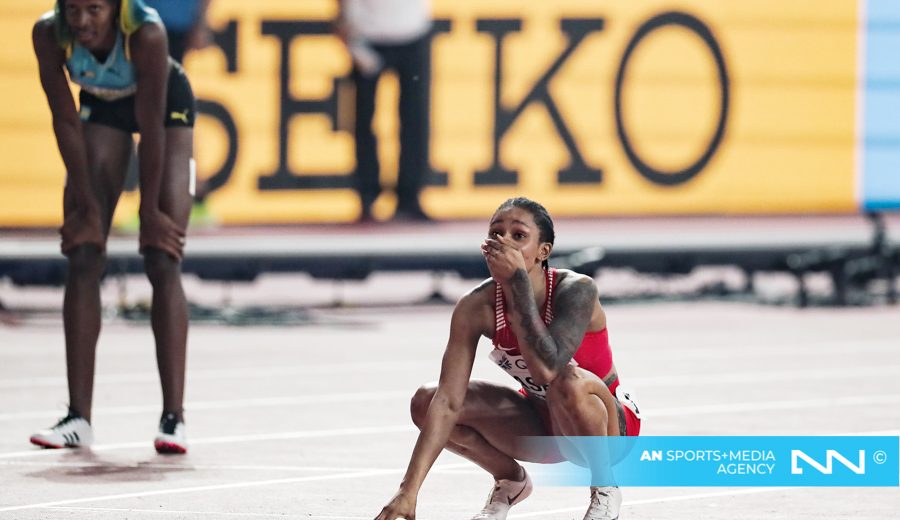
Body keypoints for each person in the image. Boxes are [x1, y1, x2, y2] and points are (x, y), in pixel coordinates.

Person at [375, 197, 642, 520]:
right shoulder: (476, 306)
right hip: (541, 422)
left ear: (543, 251)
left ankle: (605, 488)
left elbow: (546, 370)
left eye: (519, 235)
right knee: (426, 401)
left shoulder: (577, 290)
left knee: (567, 380)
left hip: (608, 428)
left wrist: (517, 285)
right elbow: (447, 402)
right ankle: (510, 480)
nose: (504, 241)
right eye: (496, 233)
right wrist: (408, 491)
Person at [29, 0, 194, 454]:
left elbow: (152, 128)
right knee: (83, 253)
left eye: (95, 10)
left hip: (164, 109)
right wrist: (86, 206)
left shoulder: (146, 33)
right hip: (101, 107)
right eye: (73, 10)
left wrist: (149, 212)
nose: (82, 22)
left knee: (162, 256)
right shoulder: (48, 33)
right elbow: (64, 120)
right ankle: (78, 418)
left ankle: (173, 418)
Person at [335, 0, 432, 222]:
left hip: (412, 30)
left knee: (414, 119)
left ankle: (409, 197)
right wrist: (345, 27)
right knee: (364, 120)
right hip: (366, 33)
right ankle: (367, 196)